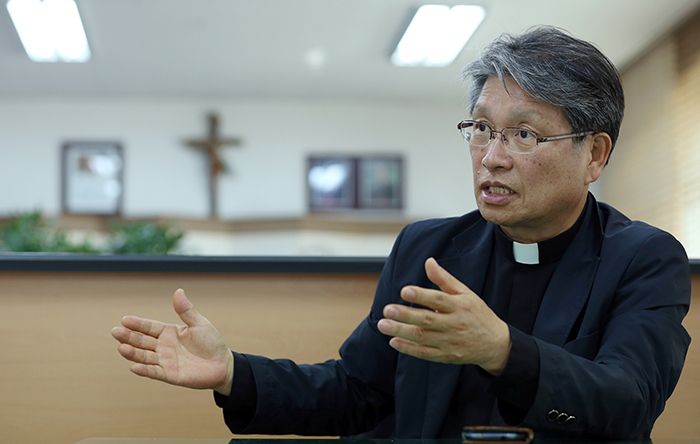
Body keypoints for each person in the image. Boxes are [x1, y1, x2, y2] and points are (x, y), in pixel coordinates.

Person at [111, 26, 691, 440]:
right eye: (481, 129)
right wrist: (234, 372)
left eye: (523, 135)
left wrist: (503, 351)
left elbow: (629, 405)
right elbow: (360, 394)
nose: (491, 157)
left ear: (594, 153)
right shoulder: (430, 248)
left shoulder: (642, 258)